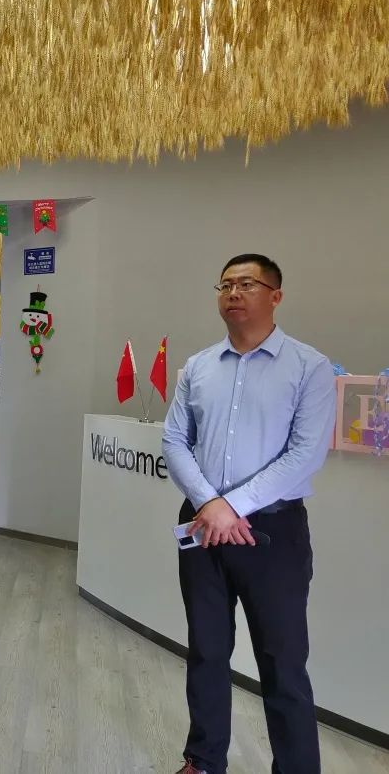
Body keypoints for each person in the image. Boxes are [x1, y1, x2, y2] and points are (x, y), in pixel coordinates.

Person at [162, 255, 336, 774]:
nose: (233, 293)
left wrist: (231, 506)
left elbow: (305, 454)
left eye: (246, 284)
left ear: (275, 296)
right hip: (202, 527)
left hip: (273, 532)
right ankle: (204, 759)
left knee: (283, 662)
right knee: (206, 651)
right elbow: (174, 440)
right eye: (225, 284)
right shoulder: (198, 367)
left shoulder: (309, 366)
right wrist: (209, 504)